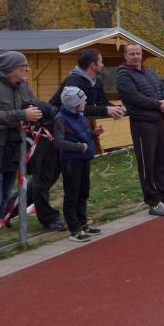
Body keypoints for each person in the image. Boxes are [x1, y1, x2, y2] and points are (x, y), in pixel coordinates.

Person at [29, 48, 125, 231]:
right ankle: (48, 219)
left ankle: (9, 207)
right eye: (101, 61)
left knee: (71, 183)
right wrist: (106, 110)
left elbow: (102, 103)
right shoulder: (73, 81)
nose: (103, 64)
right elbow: (78, 108)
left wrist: (116, 109)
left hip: (74, 135)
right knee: (44, 179)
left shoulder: (96, 81)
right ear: (93, 65)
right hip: (51, 133)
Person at [0, 51, 43, 256]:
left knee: (2, 200)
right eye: (24, 66)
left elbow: (32, 103)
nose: (28, 69)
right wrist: (22, 114)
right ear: (11, 69)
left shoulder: (22, 85)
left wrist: (41, 112)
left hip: (13, 150)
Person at [116, 44, 164, 216]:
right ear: (125, 56)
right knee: (147, 163)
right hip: (142, 123)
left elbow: (162, 88)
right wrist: (157, 104)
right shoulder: (123, 76)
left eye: (138, 53)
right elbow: (134, 97)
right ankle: (153, 202)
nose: (136, 57)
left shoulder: (149, 72)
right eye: (132, 54)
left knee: (162, 160)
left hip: (158, 121)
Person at [53, 87, 104, 242]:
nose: (85, 103)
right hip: (71, 161)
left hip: (84, 159)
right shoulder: (61, 119)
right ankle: (74, 229)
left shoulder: (80, 114)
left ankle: (82, 223)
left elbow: (82, 134)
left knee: (83, 192)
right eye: (83, 101)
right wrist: (79, 147)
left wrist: (94, 133)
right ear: (75, 104)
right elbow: (59, 142)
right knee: (72, 195)